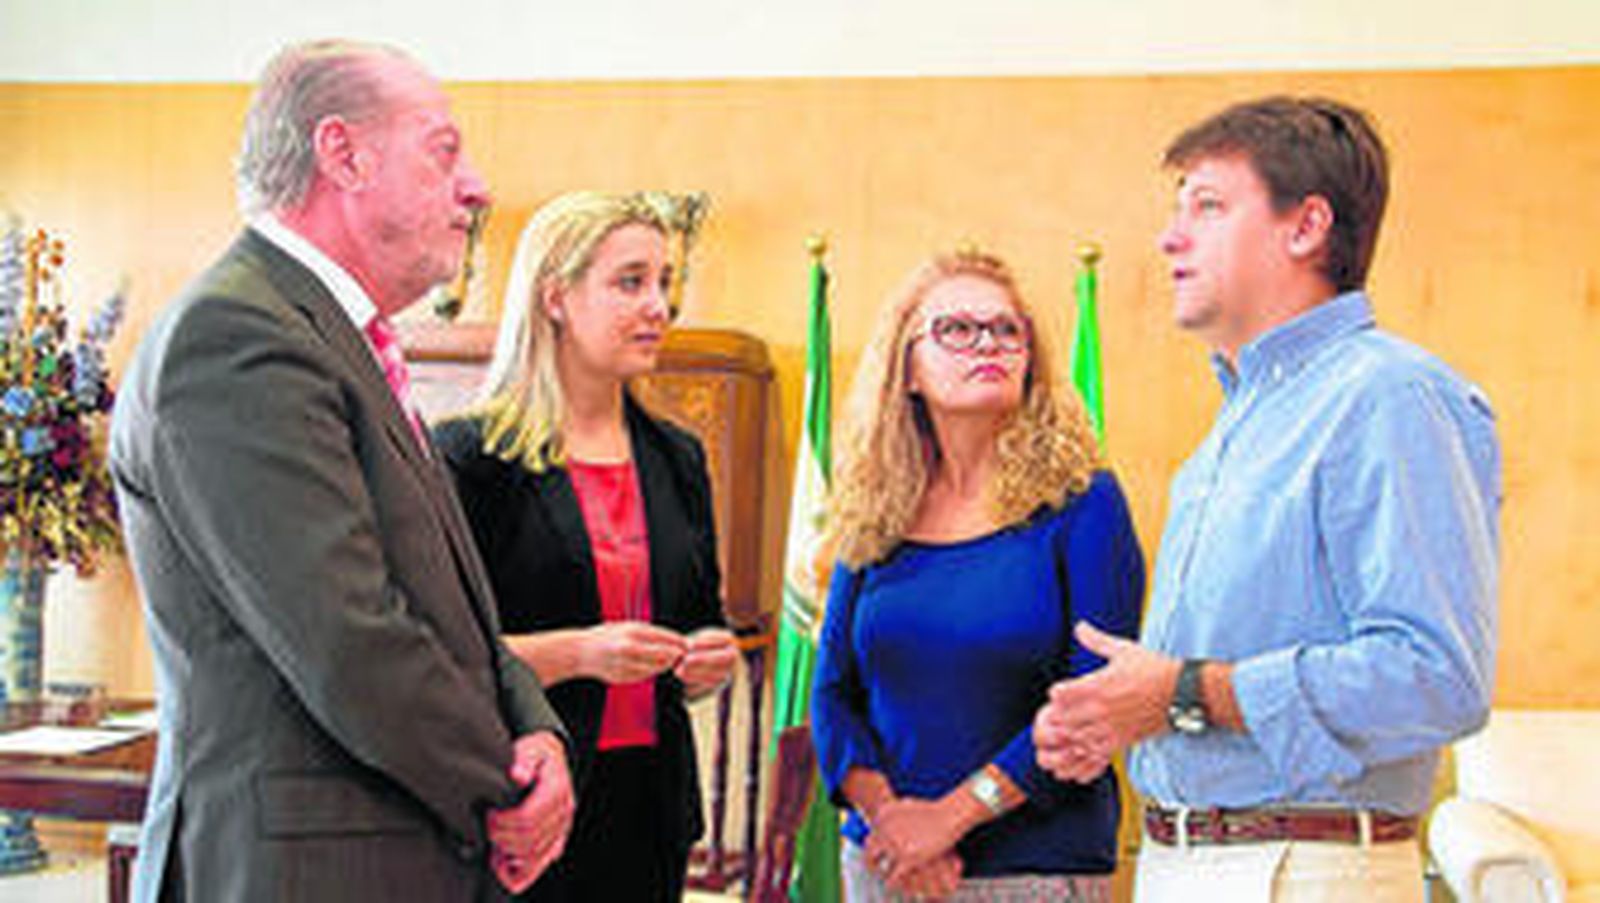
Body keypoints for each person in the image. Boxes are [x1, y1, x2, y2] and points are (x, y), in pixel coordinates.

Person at [109, 40, 574, 902]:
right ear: (343, 155)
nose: (475, 185)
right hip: (301, 869)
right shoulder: (236, 339)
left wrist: (536, 729)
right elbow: (349, 639)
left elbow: (454, 617)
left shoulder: (333, 336)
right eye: (444, 150)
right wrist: (508, 785)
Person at [1033, 96, 1501, 902]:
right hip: (1187, 859)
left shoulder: (1388, 394)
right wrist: (1126, 717)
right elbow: (1199, 691)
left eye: (1207, 205)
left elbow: (1437, 676)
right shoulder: (1231, 431)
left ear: (1305, 227)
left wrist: (1186, 691)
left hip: (1301, 872)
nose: (1169, 236)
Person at [810, 249, 1146, 901]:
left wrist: (949, 818)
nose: (987, 343)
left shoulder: (1084, 502)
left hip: (1036, 868)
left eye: (1005, 328)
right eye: (956, 329)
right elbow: (831, 692)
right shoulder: (874, 507)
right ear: (905, 367)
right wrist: (894, 823)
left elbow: (1091, 698)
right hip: (885, 863)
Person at [433, 190, 739, 901]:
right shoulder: (472, 455)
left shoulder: (677, 457)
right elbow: (440, 652)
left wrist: (708, 656)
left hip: (651, 808)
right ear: (556, 297)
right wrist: (580, 652)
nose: (659, 305)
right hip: (521, 801)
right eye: (631, 282)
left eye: (664, 283)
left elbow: (704, 616)